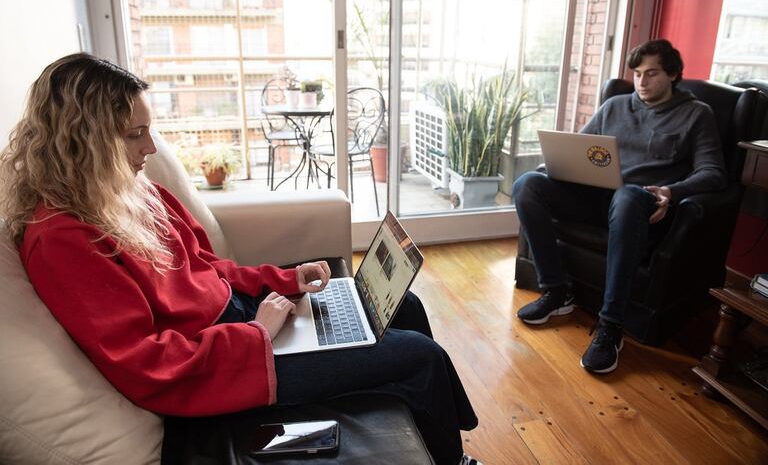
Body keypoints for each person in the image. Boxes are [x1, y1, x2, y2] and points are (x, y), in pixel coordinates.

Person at [0, 53, 480, 465]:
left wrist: (285, 279)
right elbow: (144, 363)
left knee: (408, 306)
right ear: (82, 141)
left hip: (245, 323)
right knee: (422, 358)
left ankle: (437, 441)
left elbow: (209, 269)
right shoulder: (63, 239)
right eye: (134, 134)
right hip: (229, 365)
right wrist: (257, 336)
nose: (150, 147)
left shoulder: (132, 191)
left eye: (149, 131)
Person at [513, 39, 726, 374]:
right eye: (638, 73)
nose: (641, 81)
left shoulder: (697, 114)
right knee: (526, 185)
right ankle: (557, 291)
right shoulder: (614, 106)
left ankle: (611, 326)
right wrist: (551, 167)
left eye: (651, 73)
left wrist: (672, 190)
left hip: (640, 206)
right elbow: (579, 148)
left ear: (672, 74)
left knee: (627, 196)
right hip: (596, 197)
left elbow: (713, 173)